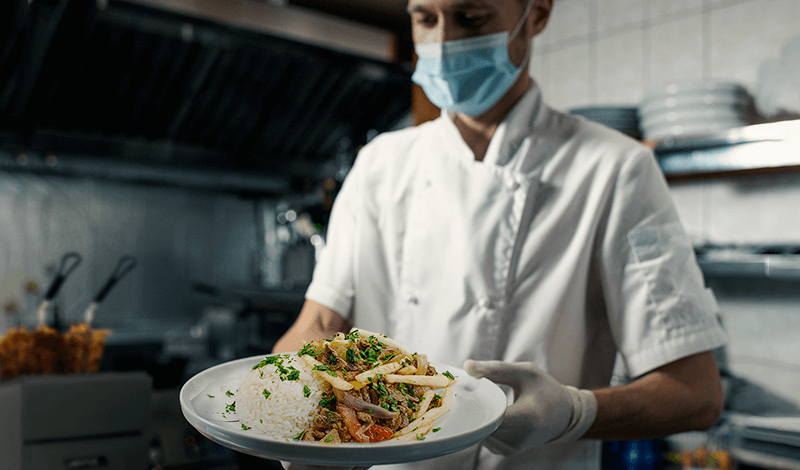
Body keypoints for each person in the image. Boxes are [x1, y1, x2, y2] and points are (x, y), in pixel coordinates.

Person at [274, 0, 729, 468]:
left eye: (472, 18)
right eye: (425, 19)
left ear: (537, 14)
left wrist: (576, 413)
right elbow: (319, 325)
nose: (444, 44)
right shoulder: (380, 164)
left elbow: (696, 393)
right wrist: (295, 407)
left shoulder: (615, 169)